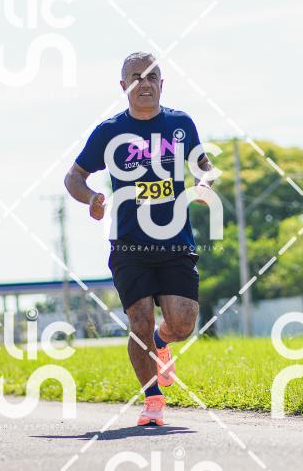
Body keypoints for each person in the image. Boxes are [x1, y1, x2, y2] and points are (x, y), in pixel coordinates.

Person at [64, 51, 216, 426]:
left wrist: (203, 183)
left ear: (161, 84)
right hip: (129, 244)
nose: (144, 83)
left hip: (175, 241)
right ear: (123, 86)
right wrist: (91, 198)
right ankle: (152, 400)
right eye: (135, 77)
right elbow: (74, 177)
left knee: (183, 322)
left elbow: (205, 167)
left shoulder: (180, 124)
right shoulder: (109, 132)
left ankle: (162, 344)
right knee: (140, 322)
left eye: (151, 77)